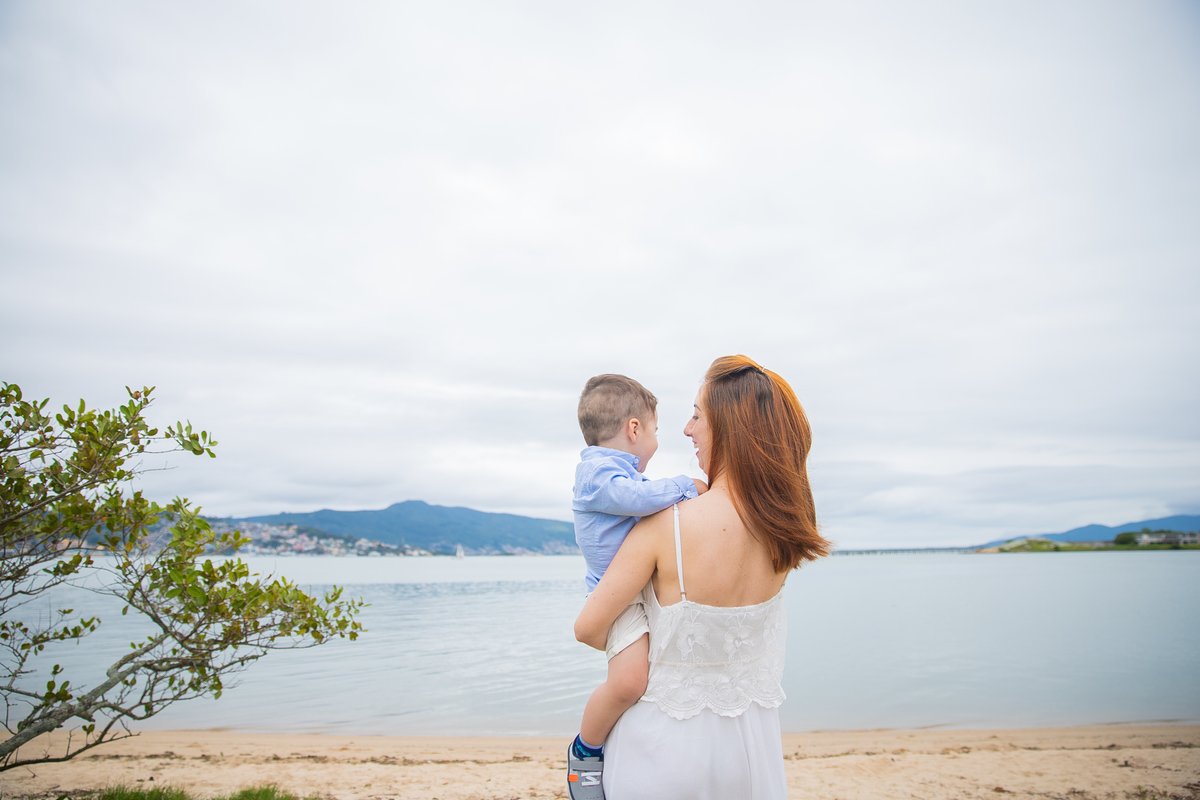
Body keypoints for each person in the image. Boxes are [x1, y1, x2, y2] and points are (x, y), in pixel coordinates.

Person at [574, 356, 831, 800]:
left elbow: (588, 628)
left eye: (697, 415)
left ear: (730, 427)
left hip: (660, 753)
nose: (687, 429)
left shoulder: (664, 525)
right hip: (752, 756)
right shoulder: (784, 531)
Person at [568, 374, 708, 799]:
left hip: (640, 590)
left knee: (657, 676)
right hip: (618, 597)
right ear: (634, 429)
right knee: (629, 682)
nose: (659, 440)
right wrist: (687, 487)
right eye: (656, 430)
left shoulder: (621, 476)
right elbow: (635, 501)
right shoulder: (598, 475)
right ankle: (585, 752)